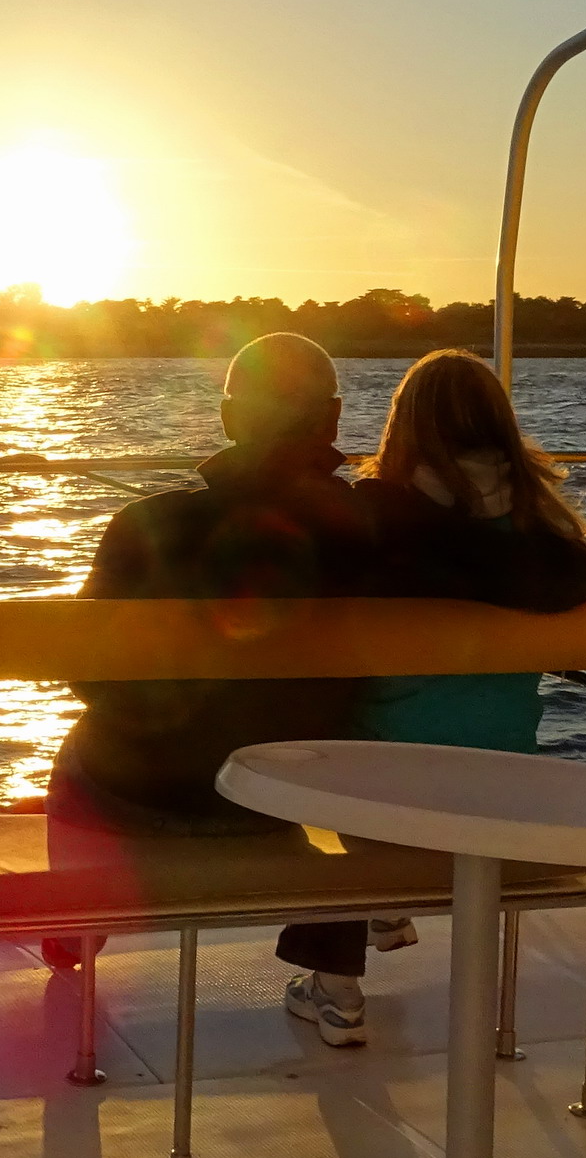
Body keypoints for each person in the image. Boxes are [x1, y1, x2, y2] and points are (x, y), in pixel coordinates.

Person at [273, 348, 586, 1046]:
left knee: (322, 736)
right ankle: (384, 908)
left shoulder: (381, 520)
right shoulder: (540, 537)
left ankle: (337, 985)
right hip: (509, 781)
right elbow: (575, 575)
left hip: (387, 797)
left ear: (403, 428)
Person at [46, 331, 377, 836]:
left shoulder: (143, 525)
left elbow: (84, 675)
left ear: (227, 420)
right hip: (272, 797)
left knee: (81, 751)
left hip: (130, 789)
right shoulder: (372, 533)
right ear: (331, 418)